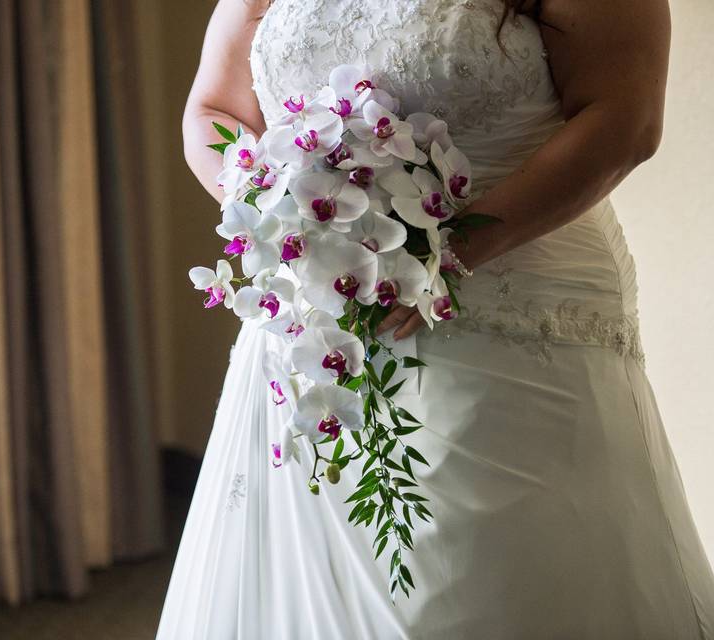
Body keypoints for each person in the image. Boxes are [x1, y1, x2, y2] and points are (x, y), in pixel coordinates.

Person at [158, 1, 714, 637]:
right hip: (318, 314)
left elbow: (625, 119)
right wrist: (283, 215)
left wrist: (444, 254)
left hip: (515, 292)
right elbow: (215, 110)